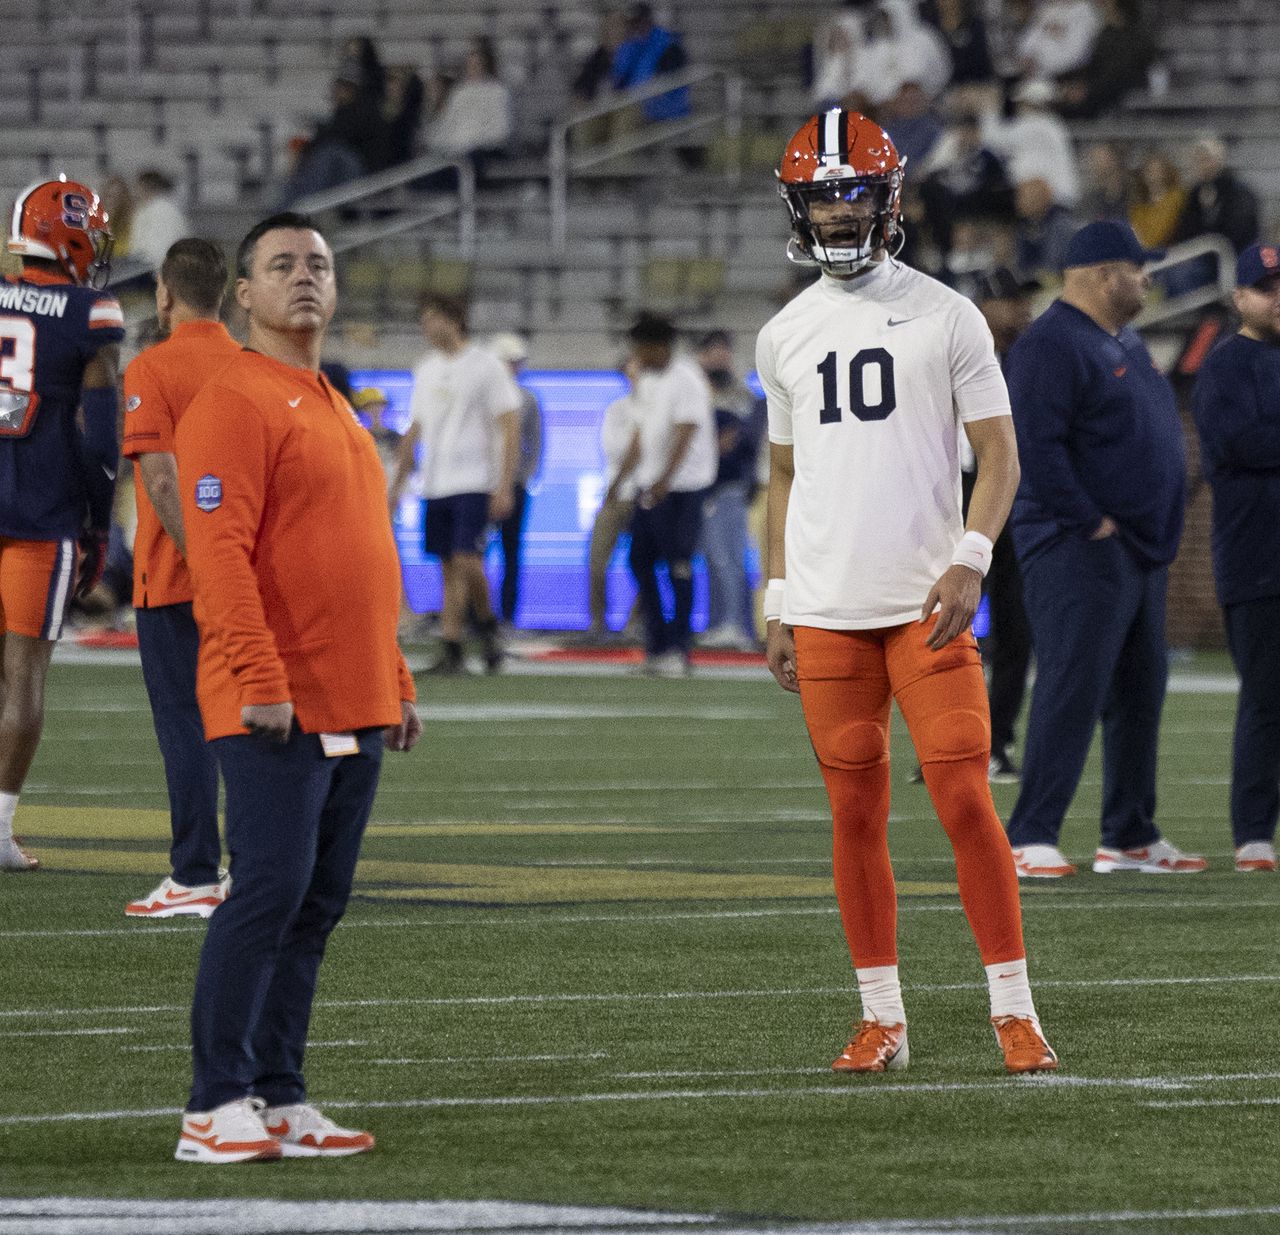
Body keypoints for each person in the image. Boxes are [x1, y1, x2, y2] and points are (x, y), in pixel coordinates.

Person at [759, 109, 1056, 1073]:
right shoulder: (783, 333)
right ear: (798, 208)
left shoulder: (947, 312)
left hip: (926, 602)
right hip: (825, 608)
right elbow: (784, 474)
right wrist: (776, 597)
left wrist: (972, 555)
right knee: (855, 814)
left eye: (853, 194)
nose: (838, 215)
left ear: (888, 200)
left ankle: (1014, 1008)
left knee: (965, 796)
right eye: (822, 198)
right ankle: (882, 1017)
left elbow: (1000, 453)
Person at [172, 211, 420, 1163]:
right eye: (282, 265)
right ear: (244, 293)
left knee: (314, 905)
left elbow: (365, 554)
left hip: (352, 695)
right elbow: (219, 556)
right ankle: (213, 1104)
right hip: (274, 700)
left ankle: (279, 1095)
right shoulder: (234, 399)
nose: (305, 276)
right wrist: (258, 676)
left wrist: (394, 673)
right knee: (268, 893)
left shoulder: (332, 402)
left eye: (318, 263)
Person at [1003, 220, 1204, 878]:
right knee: (1072, 685)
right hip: (1076, 545)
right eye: (1137, 269)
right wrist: (1088, 520)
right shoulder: (1050, 343)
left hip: (1135, 548)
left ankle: (1130, 834)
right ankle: (1030, 834)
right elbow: (1034, 445)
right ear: (1101, 274)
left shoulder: (1125, 339)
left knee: (1141, 691)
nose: (1147, 280)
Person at [0, 178, 123, 874]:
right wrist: (99, 527)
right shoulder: (89, 312)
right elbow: (102, 442)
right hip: (41, 515)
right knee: (24, 675)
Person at [122, 239, 242, 918]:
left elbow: (163, 481)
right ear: (224, 293)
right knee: (249, 726)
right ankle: (254, 867)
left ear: (165, 293)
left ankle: (194, 873)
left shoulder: (153, 366)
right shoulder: (251, 365)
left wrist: (205, 562)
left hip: (175, 577)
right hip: (247, 576)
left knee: (186, 726)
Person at [1191, 243, 1280, 874]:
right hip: (1258, 558)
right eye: (1265, 288)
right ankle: (1253, 833)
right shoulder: (1225, 365)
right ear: (1238, 297)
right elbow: (1238, 443)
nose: (1278, 299)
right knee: (1265, 698)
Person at [388, 292, 519, 674]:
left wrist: (504, 484)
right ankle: (454, 646)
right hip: (436, 482)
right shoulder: (426, 368)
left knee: (466, 559)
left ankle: (486, 626)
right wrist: (397, 486)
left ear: (454, 320)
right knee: (448, 566)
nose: (427, 327)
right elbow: (416, 428)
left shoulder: (486, 364)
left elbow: (509, 425)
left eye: (433, 318)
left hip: (474, 480)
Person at [607, 313, 716, 676]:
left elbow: (686, 432)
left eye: (640, 348)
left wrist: (666, 480)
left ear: (659, 347)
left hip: (683, 489)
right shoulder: (648, 381)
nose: (636, 356)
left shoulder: (687, 378)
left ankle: (679, 649)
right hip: (650, 485)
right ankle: (656, 644)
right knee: (638, 559)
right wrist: (619, 479)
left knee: (678, 565)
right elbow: (640, 435)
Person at [972, 268, 1037, 780]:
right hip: (958, 498)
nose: (1023, 310)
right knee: (943, 627)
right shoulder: (956, 353)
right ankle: (947, 741)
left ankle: (996, 742)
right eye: (1012, 301)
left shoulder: (1027, 359)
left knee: (1016, 629)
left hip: (1013, 503)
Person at [696, 330, 760, 651]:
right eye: (713, 351)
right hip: (704, 489)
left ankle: (735, 625)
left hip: (730, 487)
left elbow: (737, 442)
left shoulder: (740, 395)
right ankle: (717, 622)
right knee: (713, 559)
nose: (720, 357)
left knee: (729, 559)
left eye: (724, 352)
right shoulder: (697, 391)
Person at [583, 359, 641, 643]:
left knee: (646, 563)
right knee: (596, 560)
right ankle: (598, 623)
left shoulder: (660, 407)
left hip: (646, 494)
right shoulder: (618, 409)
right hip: (616, 495)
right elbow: (614, 449)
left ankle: (636, 623)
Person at [489, 333, 544, 627]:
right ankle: (476, 616)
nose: (515, 367)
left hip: (515, 485)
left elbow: (534, 441)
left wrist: (524, 476)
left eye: (518, 362)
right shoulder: (484, 396)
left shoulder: (527, 399)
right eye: (510, 361)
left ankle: (508, 616)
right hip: (484, 485)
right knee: (472, 552)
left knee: (511, 551)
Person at [130, 171, 191, 272]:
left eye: (137, 188)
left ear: (144, 187)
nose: (135, 193)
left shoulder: (162, 210)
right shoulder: (148, 209)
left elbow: (160, 247)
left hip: (157, 270)